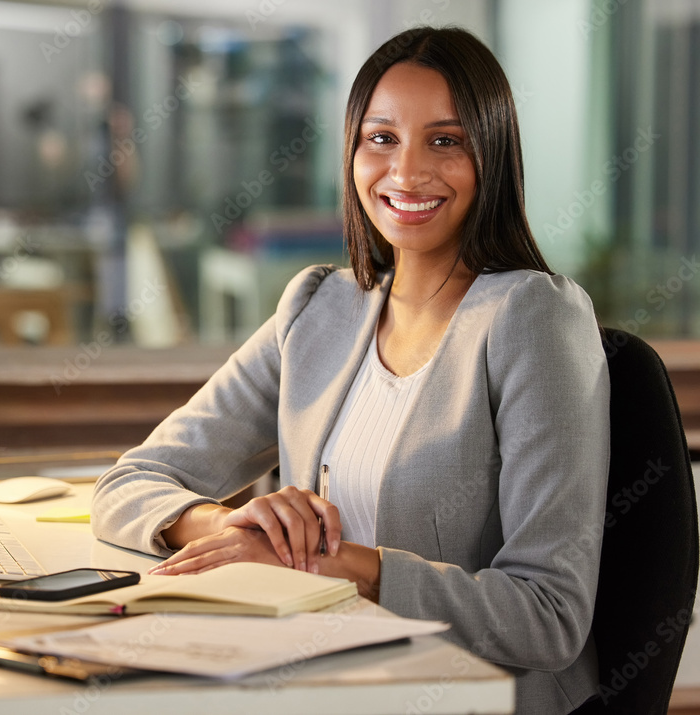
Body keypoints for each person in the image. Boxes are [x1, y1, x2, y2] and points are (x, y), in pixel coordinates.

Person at [91, 26, 609, 715]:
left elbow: (549, 614)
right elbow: (129, 482)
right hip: (319, 682)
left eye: (445, 141)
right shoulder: (319, 307)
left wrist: (353, 567)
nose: (406, 172)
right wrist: (235, 527)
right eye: (381, 138)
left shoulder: (533, 317)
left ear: (493, 152)